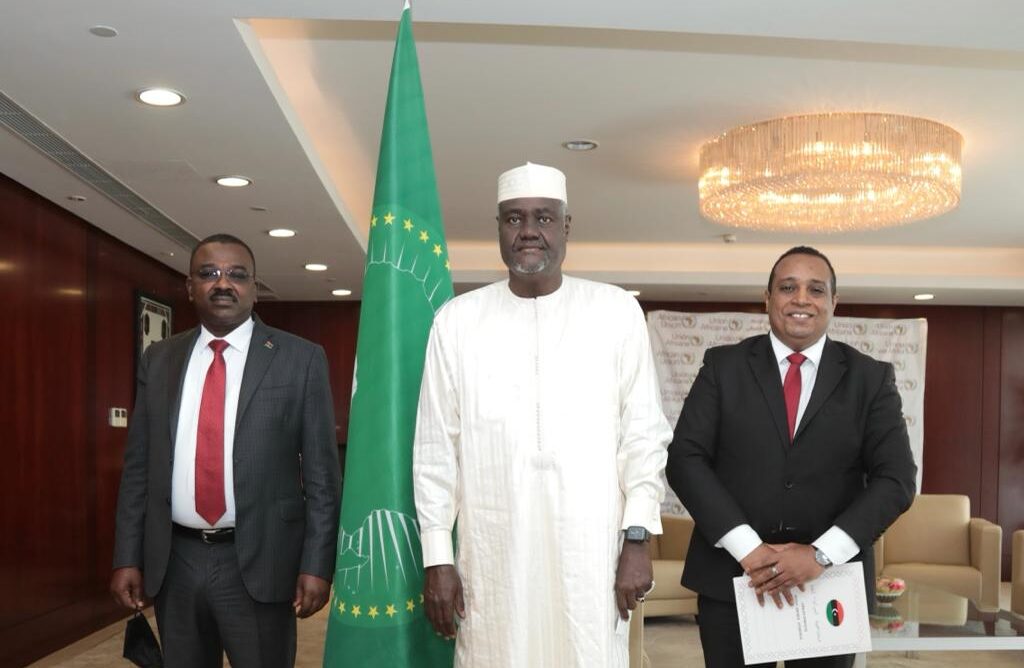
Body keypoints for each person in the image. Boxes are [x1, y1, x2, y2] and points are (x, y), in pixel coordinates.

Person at [412, 162, 671, 666]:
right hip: (494, 550)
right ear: (499, 228)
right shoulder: (457, 321)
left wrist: (637, 538)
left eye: (544, 218)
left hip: (591, 551)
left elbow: (643, 435)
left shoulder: (616, 312)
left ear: (566, 226)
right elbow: (434, 448)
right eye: (514, 218)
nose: (529, 231)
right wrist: (437, 557)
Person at [666, 246, 917, 668]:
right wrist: (750, 550)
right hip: (732, 580)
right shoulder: (723, 366)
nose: (802, 299)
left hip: (829, 583)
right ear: (767, 298)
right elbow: (685, 459)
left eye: (816, 289)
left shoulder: (871, 378)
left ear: (834, 301)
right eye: (788, 287)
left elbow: (897, 479)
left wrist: (819, 554)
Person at [110, 234, 341, 668]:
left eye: (237, 274)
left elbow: (323, 479)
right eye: (209, 273)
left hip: (262, 559)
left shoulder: (300, 358)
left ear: (254, 287)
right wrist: (127, 556)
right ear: (190, 286)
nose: (223, 283)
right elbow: (139, 468)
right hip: (175, 560)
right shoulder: (159, 359)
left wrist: (317, 565)